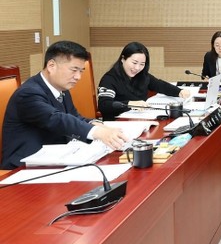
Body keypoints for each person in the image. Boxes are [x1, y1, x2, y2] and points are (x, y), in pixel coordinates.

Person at [2, 41, 128, 169]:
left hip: (53, 160)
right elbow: (56, 119)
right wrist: (97, 132)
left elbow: (74, 116)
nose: (78, 77)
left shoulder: (61, 89)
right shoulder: (28, 93)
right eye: (74, 70)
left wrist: (98, 125)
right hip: (22, 167)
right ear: (51, 66)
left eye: (81, 71)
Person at [97, 42, 191, 121]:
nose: (137, 68)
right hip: (116, 124)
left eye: (142, 64)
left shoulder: (141, 76)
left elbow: (159, 85)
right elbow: (104, 105)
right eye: (134, 63)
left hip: (140, 121)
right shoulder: (109, 79)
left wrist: (179, 91)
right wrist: (129, 104)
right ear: (123, 59)